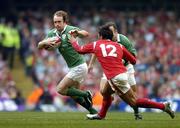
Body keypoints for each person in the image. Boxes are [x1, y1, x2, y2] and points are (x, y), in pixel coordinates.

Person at [68, 24, 175, 120]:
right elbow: (133, 60)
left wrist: (73, 40)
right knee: (105, 92)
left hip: (116, 78)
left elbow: (79, 50)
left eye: (98, 36)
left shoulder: (97, 44)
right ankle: (101, 115)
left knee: (134, 102)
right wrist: (118, 58)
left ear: (101, 36)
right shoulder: (119, 46)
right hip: (121, 74)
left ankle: (163, 106)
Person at [38, 10, 97, 114]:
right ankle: (93, 111)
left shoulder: (70, 30)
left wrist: (78, 32)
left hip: (79, 66)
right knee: (74, 95)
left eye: (59, 22)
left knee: (60, 89)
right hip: (73, 67)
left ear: (65, 22)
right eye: (55, 22)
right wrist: (45, 42)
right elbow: (40, 46)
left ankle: (86, 94)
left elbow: (86, 34)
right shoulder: (52, 33)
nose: (57, 24)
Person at [87, 22, 142, 120]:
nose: (110, 34)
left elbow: (133, 55)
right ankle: (102, 113)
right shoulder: (106, 39)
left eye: (111, 32)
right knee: (104, 91)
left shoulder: (124, 40)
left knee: (133, 95)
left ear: (116, 32)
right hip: (110, 70)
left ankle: (136, 112)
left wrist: (122, 60)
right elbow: (96, 50)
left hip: (126, 69)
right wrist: (91, 64)